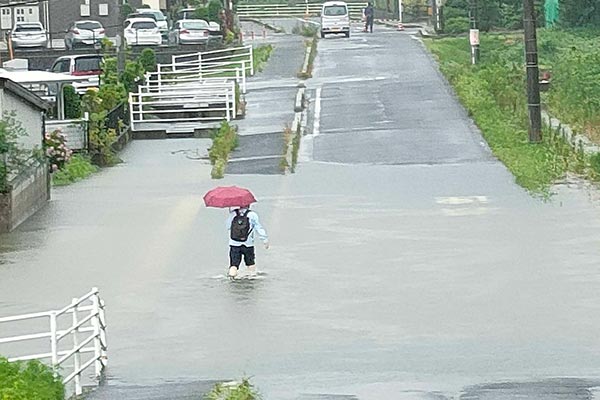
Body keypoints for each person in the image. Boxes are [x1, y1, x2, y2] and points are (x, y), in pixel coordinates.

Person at [226, 204, 269, 278]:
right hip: (248, 244)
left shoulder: (233, 214)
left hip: (234, 243)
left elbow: (227, 226)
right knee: (250, 264)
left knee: (233, 265)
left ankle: (231, 280)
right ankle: (252, 279)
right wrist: (264, 239)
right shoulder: (252, 214)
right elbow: (258, 228)